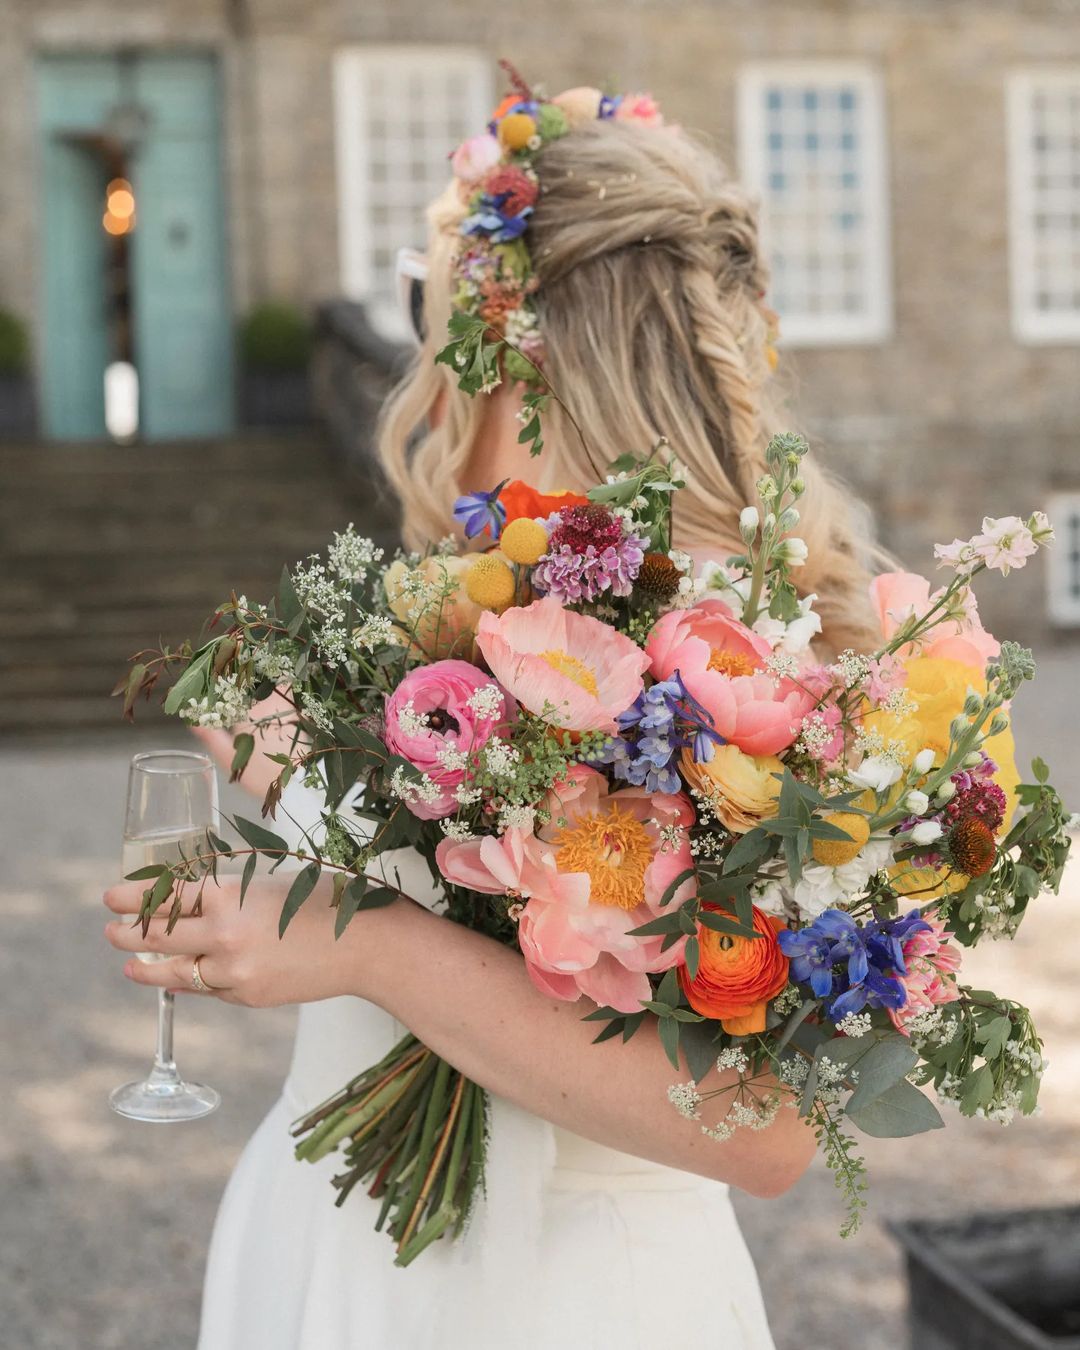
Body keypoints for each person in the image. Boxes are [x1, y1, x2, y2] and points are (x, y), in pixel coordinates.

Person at [105, 83, 879, 1349]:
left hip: (567, 1298)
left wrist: (363, 945)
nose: (421, 367)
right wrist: (292, 761)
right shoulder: (466, 611)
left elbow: (775, 1130)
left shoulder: (766, 668)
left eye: (434, 312)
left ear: (516, 350)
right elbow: (426, 837)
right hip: (327, 1248)